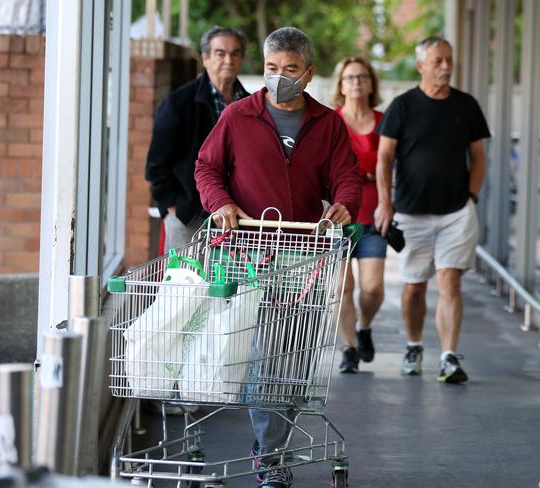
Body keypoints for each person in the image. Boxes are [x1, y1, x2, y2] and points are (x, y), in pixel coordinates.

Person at [195, 27, 362, 488]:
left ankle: (271, 448)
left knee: (295, 358)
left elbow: (347, 177)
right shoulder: (237, 116)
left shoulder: (327, 124)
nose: (279, 78)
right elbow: (207, 167)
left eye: (290, 70)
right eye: (271, 68)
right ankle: (270, 457)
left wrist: (345, 205)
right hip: (250, 252)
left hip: (305, 256)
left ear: (308, 74)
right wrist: (221, 203)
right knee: (267, 355)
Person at [374, 36, 490, 383]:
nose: (445, 66)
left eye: (449, 60)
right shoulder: (403, 106)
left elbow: (479, 156)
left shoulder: (466, 105)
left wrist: (471, 196)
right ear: (421, 65)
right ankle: (413, 345)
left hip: (456, 211)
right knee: (415, 287)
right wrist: (385, 201)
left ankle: (448, 356)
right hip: (411, 213)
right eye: (437, 60)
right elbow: (384, 157)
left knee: (450, 279)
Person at [145, 26, 250, 251]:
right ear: (206, 58)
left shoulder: (251, 106)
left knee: (230, 285)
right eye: (220, 53)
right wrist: (174, 208)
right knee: (186, 285)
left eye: (235, 53)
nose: (228, 60)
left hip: (237, 221)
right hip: (189, 218)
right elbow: (156, 165)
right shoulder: (177, 104)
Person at [331, 57, 386, 373]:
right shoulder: (332, 121)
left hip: (374, 215)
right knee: (342, 288)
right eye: (350, 77)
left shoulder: (383, 121)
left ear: (371, 83)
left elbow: (391, 167)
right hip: (339, 216)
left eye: (362, 77)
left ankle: (365, 325)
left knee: (373, 288)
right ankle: (349, 347)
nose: (356, 83)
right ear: (341, 84)